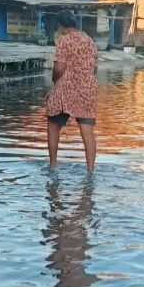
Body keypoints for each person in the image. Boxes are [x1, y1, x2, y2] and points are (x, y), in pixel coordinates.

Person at [44, 10, 98, 171]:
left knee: (53, 125)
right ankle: (90, 171)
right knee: (87, 132)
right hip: (88, 89)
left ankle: (53, 166)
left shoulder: (63, 41)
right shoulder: (90, 41)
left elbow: (59, 68)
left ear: (60, 26)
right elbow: (94, 68)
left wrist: (55, 81)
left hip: (66, 90)